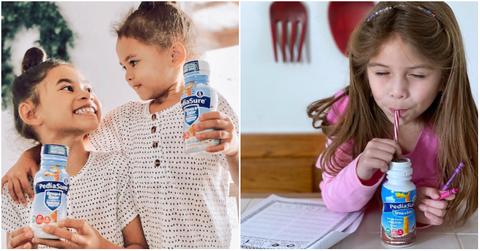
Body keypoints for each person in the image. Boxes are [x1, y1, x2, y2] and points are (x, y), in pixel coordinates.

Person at [3, 2, 238, 248]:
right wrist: (30, 156)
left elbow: (248, 178)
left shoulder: (211, 105)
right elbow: (72, 140)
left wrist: (234, 147)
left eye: (133, 62)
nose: (127, 75)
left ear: (174, 55)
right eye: (123, 67)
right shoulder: (125, 120)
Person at [307, 2, 477, 226]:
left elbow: (456, 195)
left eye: (417, 75)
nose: (397, 92)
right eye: (381, 72)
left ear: (444, 77)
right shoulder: (347, 111)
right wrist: (362, 169)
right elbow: (334, 200)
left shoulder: (452, 126)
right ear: (364, 73)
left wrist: (418, 205)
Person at [2, 47, 148, 249]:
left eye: (89, 89)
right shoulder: (16, 190)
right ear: (30, 113)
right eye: (67, 88)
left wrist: (100, 247)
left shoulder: (116, 169)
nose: (86, 95)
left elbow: (138, 245)